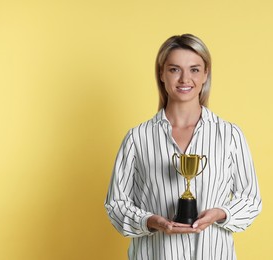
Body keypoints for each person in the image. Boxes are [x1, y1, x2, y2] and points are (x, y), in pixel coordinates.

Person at [105, 34, 262, 260]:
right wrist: (151, 221)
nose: (184, 79)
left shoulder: (229, 135)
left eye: (195, 69)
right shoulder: (137, 138)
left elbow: (250, 200)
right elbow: (116, 205)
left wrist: (220, 213)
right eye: (174, 69)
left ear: (206, 73)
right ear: (161, 73)